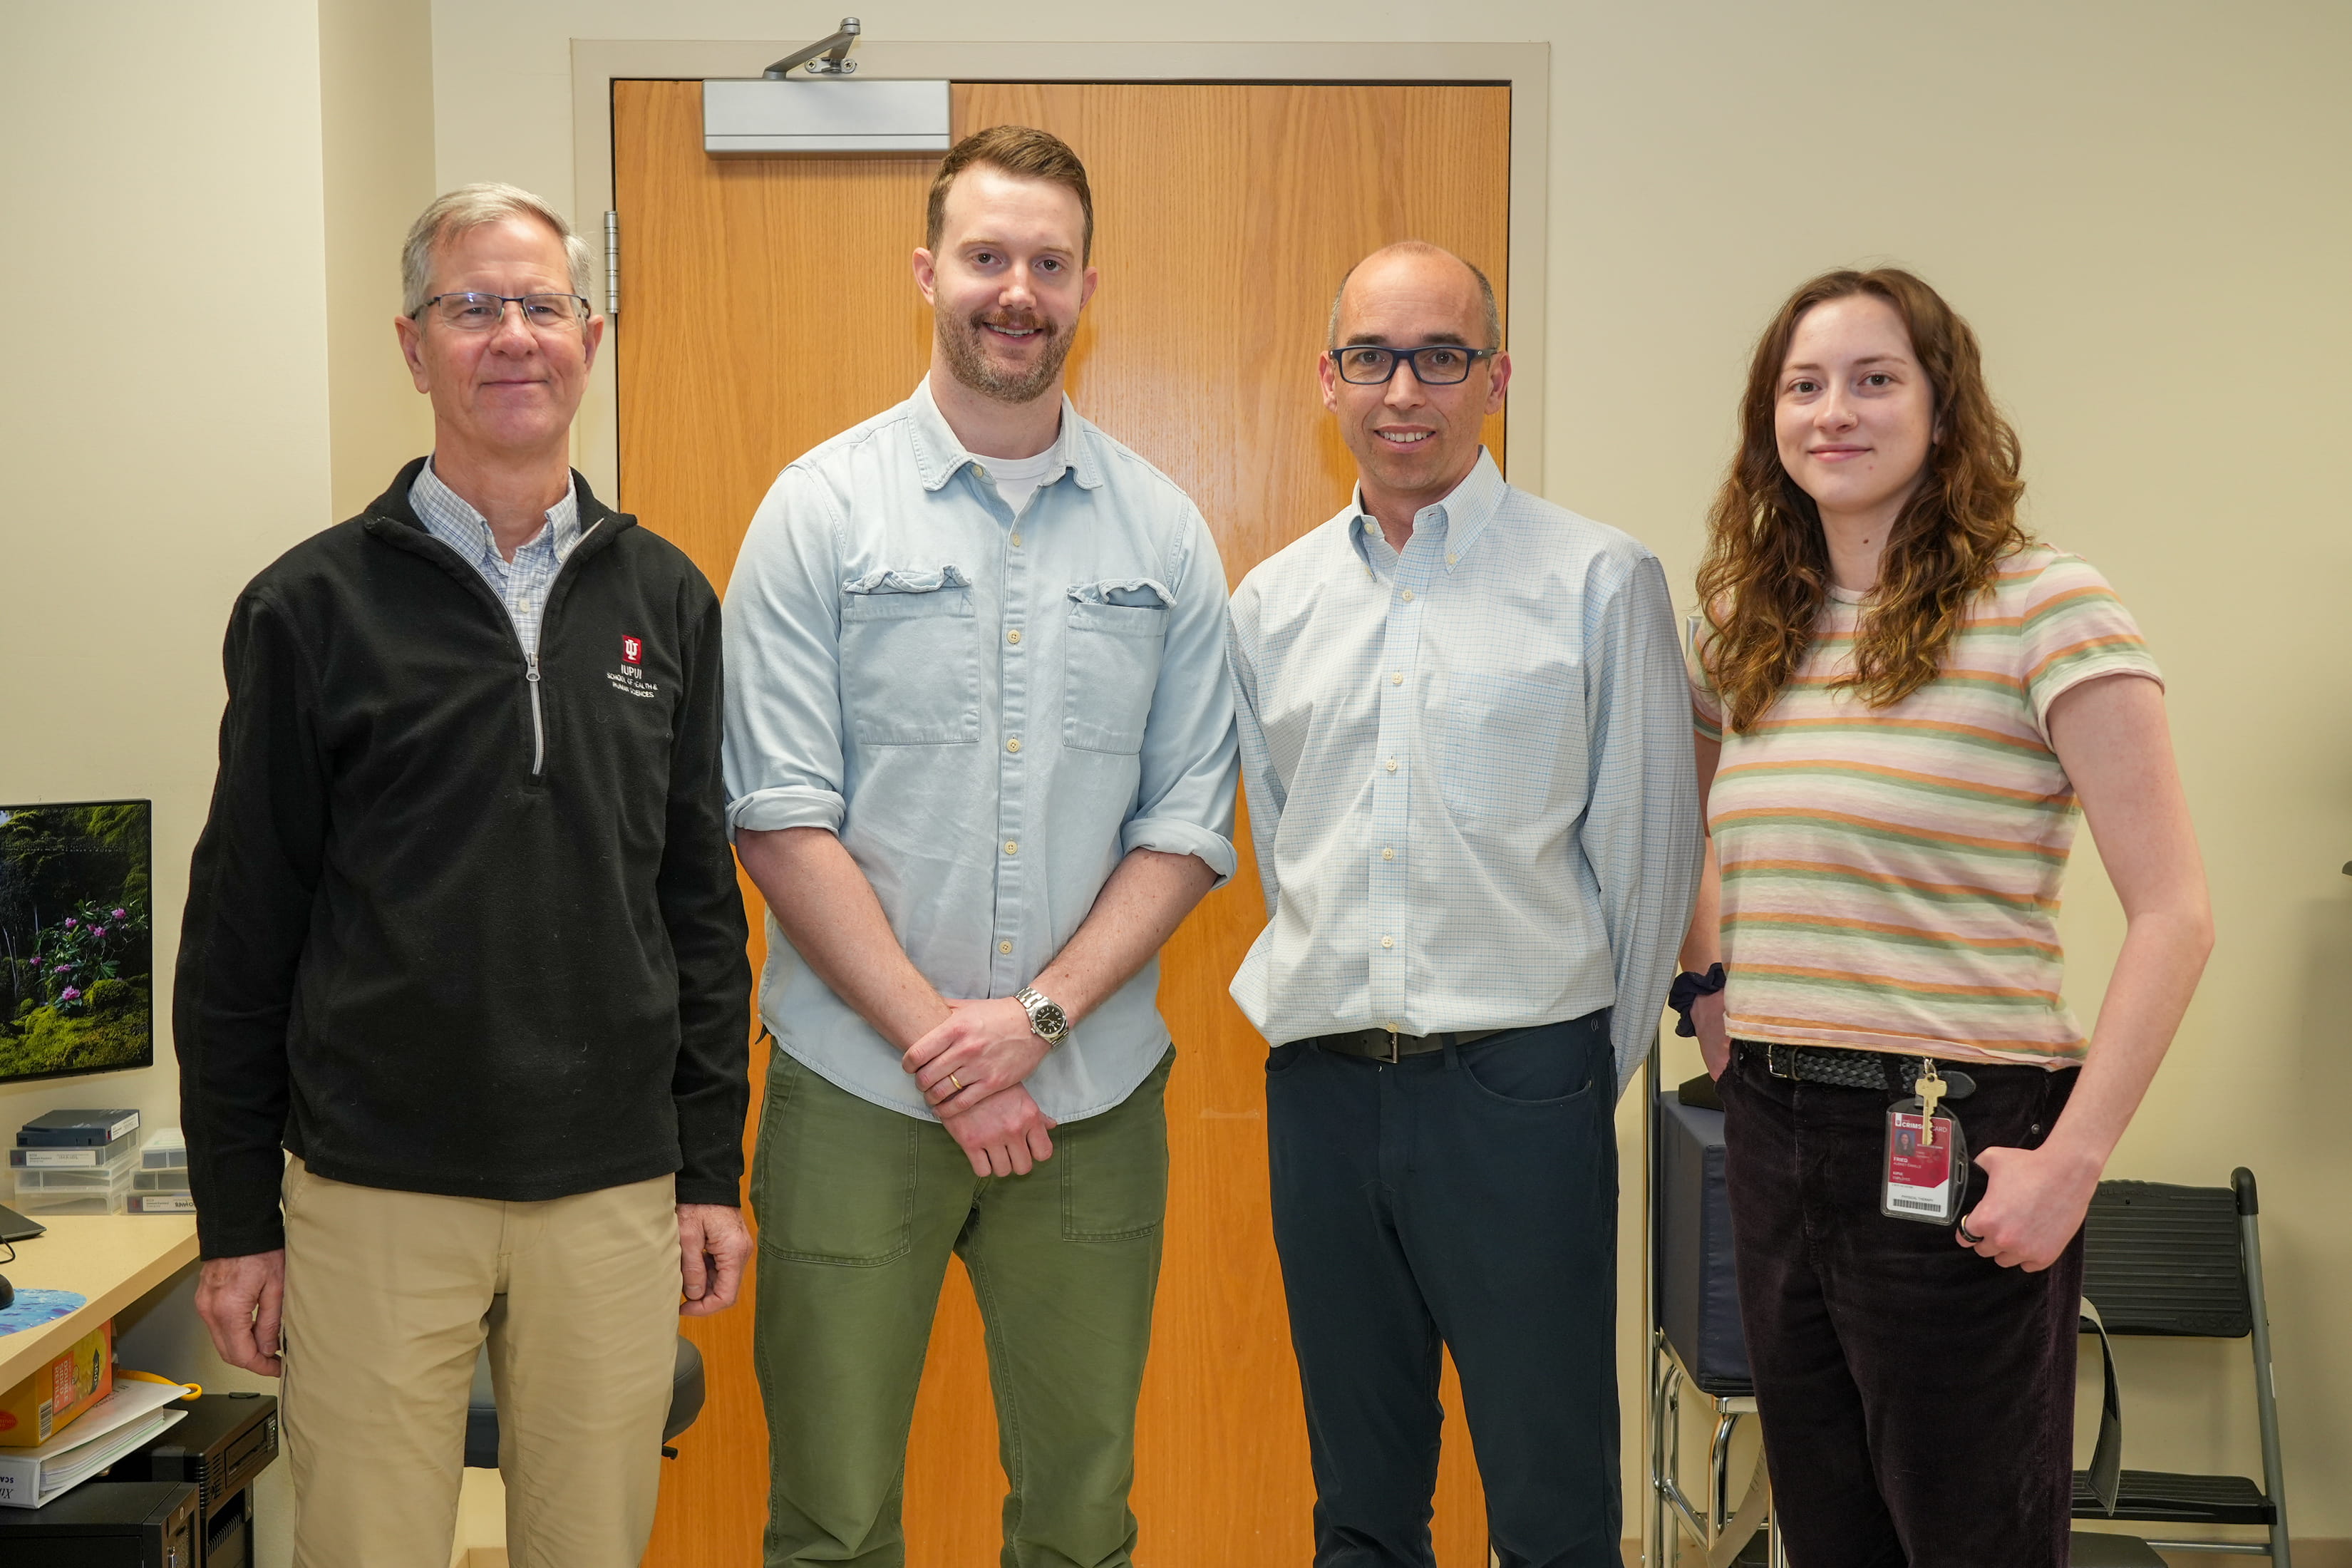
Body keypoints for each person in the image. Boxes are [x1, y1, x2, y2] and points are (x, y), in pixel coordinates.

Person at [175, 183, 753, 1568]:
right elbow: (241, 933)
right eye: (472, 305)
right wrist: (240, 1217)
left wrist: (707, 1168)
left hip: (610, 1190)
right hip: (377, 1189)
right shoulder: (308, 608)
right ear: (412, 341)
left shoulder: (665, 599)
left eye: (540, 305)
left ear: (589, 336)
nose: (512, 336)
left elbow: (699, 914)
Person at [722, 125, 1239, 1568]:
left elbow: (1190, 822)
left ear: (1087, 286)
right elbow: (775, 807)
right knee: (830, 1516)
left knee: (1082, 1519)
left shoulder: (1165, 533)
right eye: (988, 256)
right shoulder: (818, 511)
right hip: (850, 1094)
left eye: (1051, 262)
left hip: (1091, 1098)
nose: (1019, 290)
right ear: (928, 271)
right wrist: (946, 1048)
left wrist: (1037, 1021)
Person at [1675, 267, 2212, 1567]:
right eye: (1804, 386)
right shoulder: (1752, 627)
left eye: (1875, 379)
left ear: (1941, 406)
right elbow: (1695, 832)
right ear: (1770, 420)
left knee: (1971, 1533)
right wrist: (1707, 987)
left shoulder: (2046, 605)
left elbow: (2176, 912)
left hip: (1958, 1129)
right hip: (1775, 1123)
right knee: (1827, 1524)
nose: (1834, 413)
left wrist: (2071, 1165)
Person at [1225, 240, 1701, 1568]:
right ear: (1327, 379)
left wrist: (1553, 1090)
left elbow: (1651, 865)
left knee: (1550, 1502)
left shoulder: (1602, 580)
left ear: (1496, 376)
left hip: (1520, 1089)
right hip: (1323, 1092)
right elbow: (1287, 846)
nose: (1404, 390)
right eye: (1371, 357)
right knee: (1361, 1502)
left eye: (1441, 356)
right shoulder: (1271, 604)